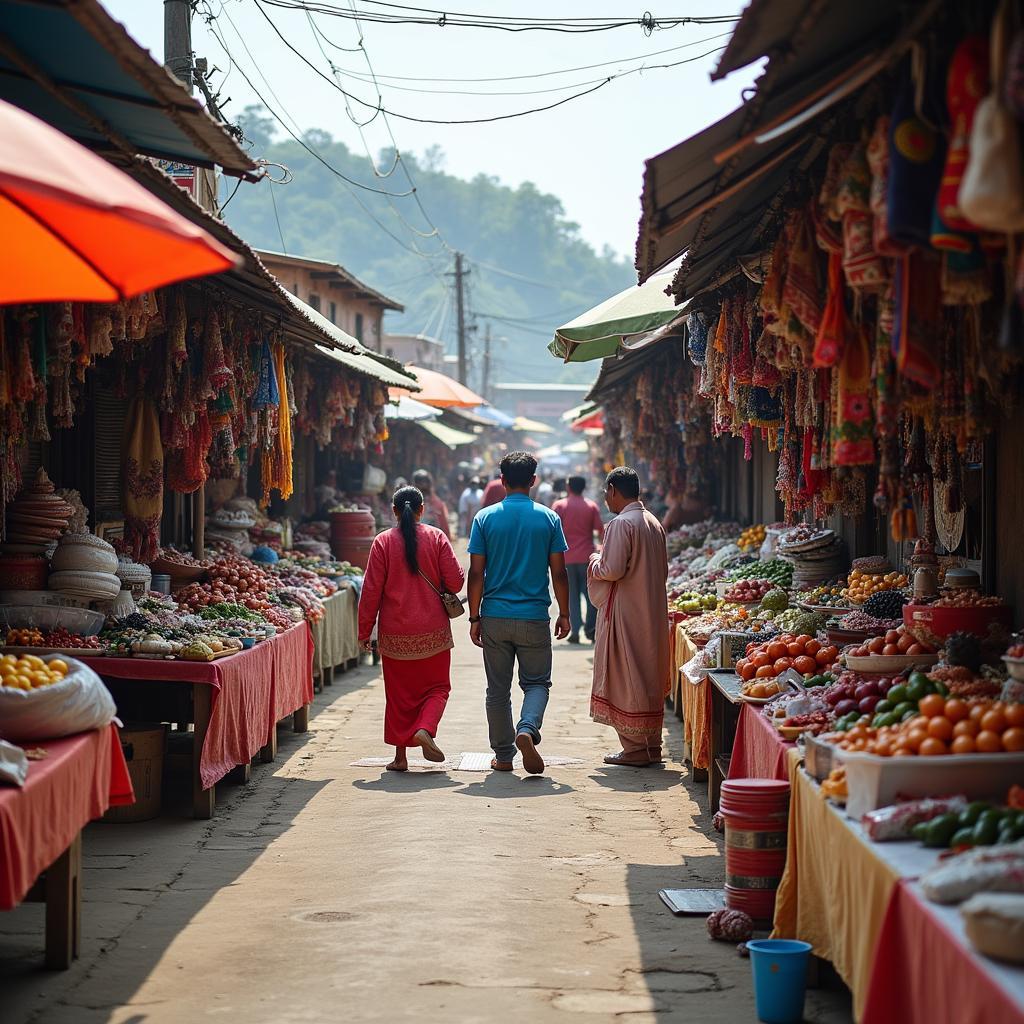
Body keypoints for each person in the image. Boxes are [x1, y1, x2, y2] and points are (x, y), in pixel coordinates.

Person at [467, 451, 570, 774]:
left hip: (494, 615)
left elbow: (475, 573)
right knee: (537, 683)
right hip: (534, 616)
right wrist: (565, 613)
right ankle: (527, 729)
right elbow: (559, 572)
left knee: (497, 690)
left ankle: (504, 755)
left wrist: (474, 616)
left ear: (502, 481)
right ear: (533, 481)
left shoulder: (484, 519)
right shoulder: (549, 518)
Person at [358, 486, 465, 772]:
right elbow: (455, 583)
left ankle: (400, 757)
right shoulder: (437, 537)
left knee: (398, 696)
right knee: (438, 688)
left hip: (394, 635)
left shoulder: (382, 542)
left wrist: (364, 631)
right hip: (434, 634)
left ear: (394, 511)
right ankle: (425, 728)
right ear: (421, 510)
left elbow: (370, 592)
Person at [587, 467, 670, 767]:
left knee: (627, 674)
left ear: (612, 489)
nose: (605, 500)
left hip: (627, 611)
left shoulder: (622, 523)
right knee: (647, 672)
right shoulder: (653, 522)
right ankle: (652, 745)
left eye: (605, 493)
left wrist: (596, 560)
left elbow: (612, 570)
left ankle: (635, 749)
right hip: (652, 610)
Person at [553, 476, 605, 644]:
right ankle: (591, 630)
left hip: (565, 558)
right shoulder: (591, 506)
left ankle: (575, 630)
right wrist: (602, 550)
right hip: (587, 558)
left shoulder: (559, 506)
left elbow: (552, 532)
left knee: (571, 597)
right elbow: (601, 530)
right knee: (591, 595)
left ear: (568, 487)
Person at [412, 469, 452, 540]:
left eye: (424, 482)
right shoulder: (409, 502)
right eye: (420, 482)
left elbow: (444, 526)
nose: (423, 485)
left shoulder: (437, 503)